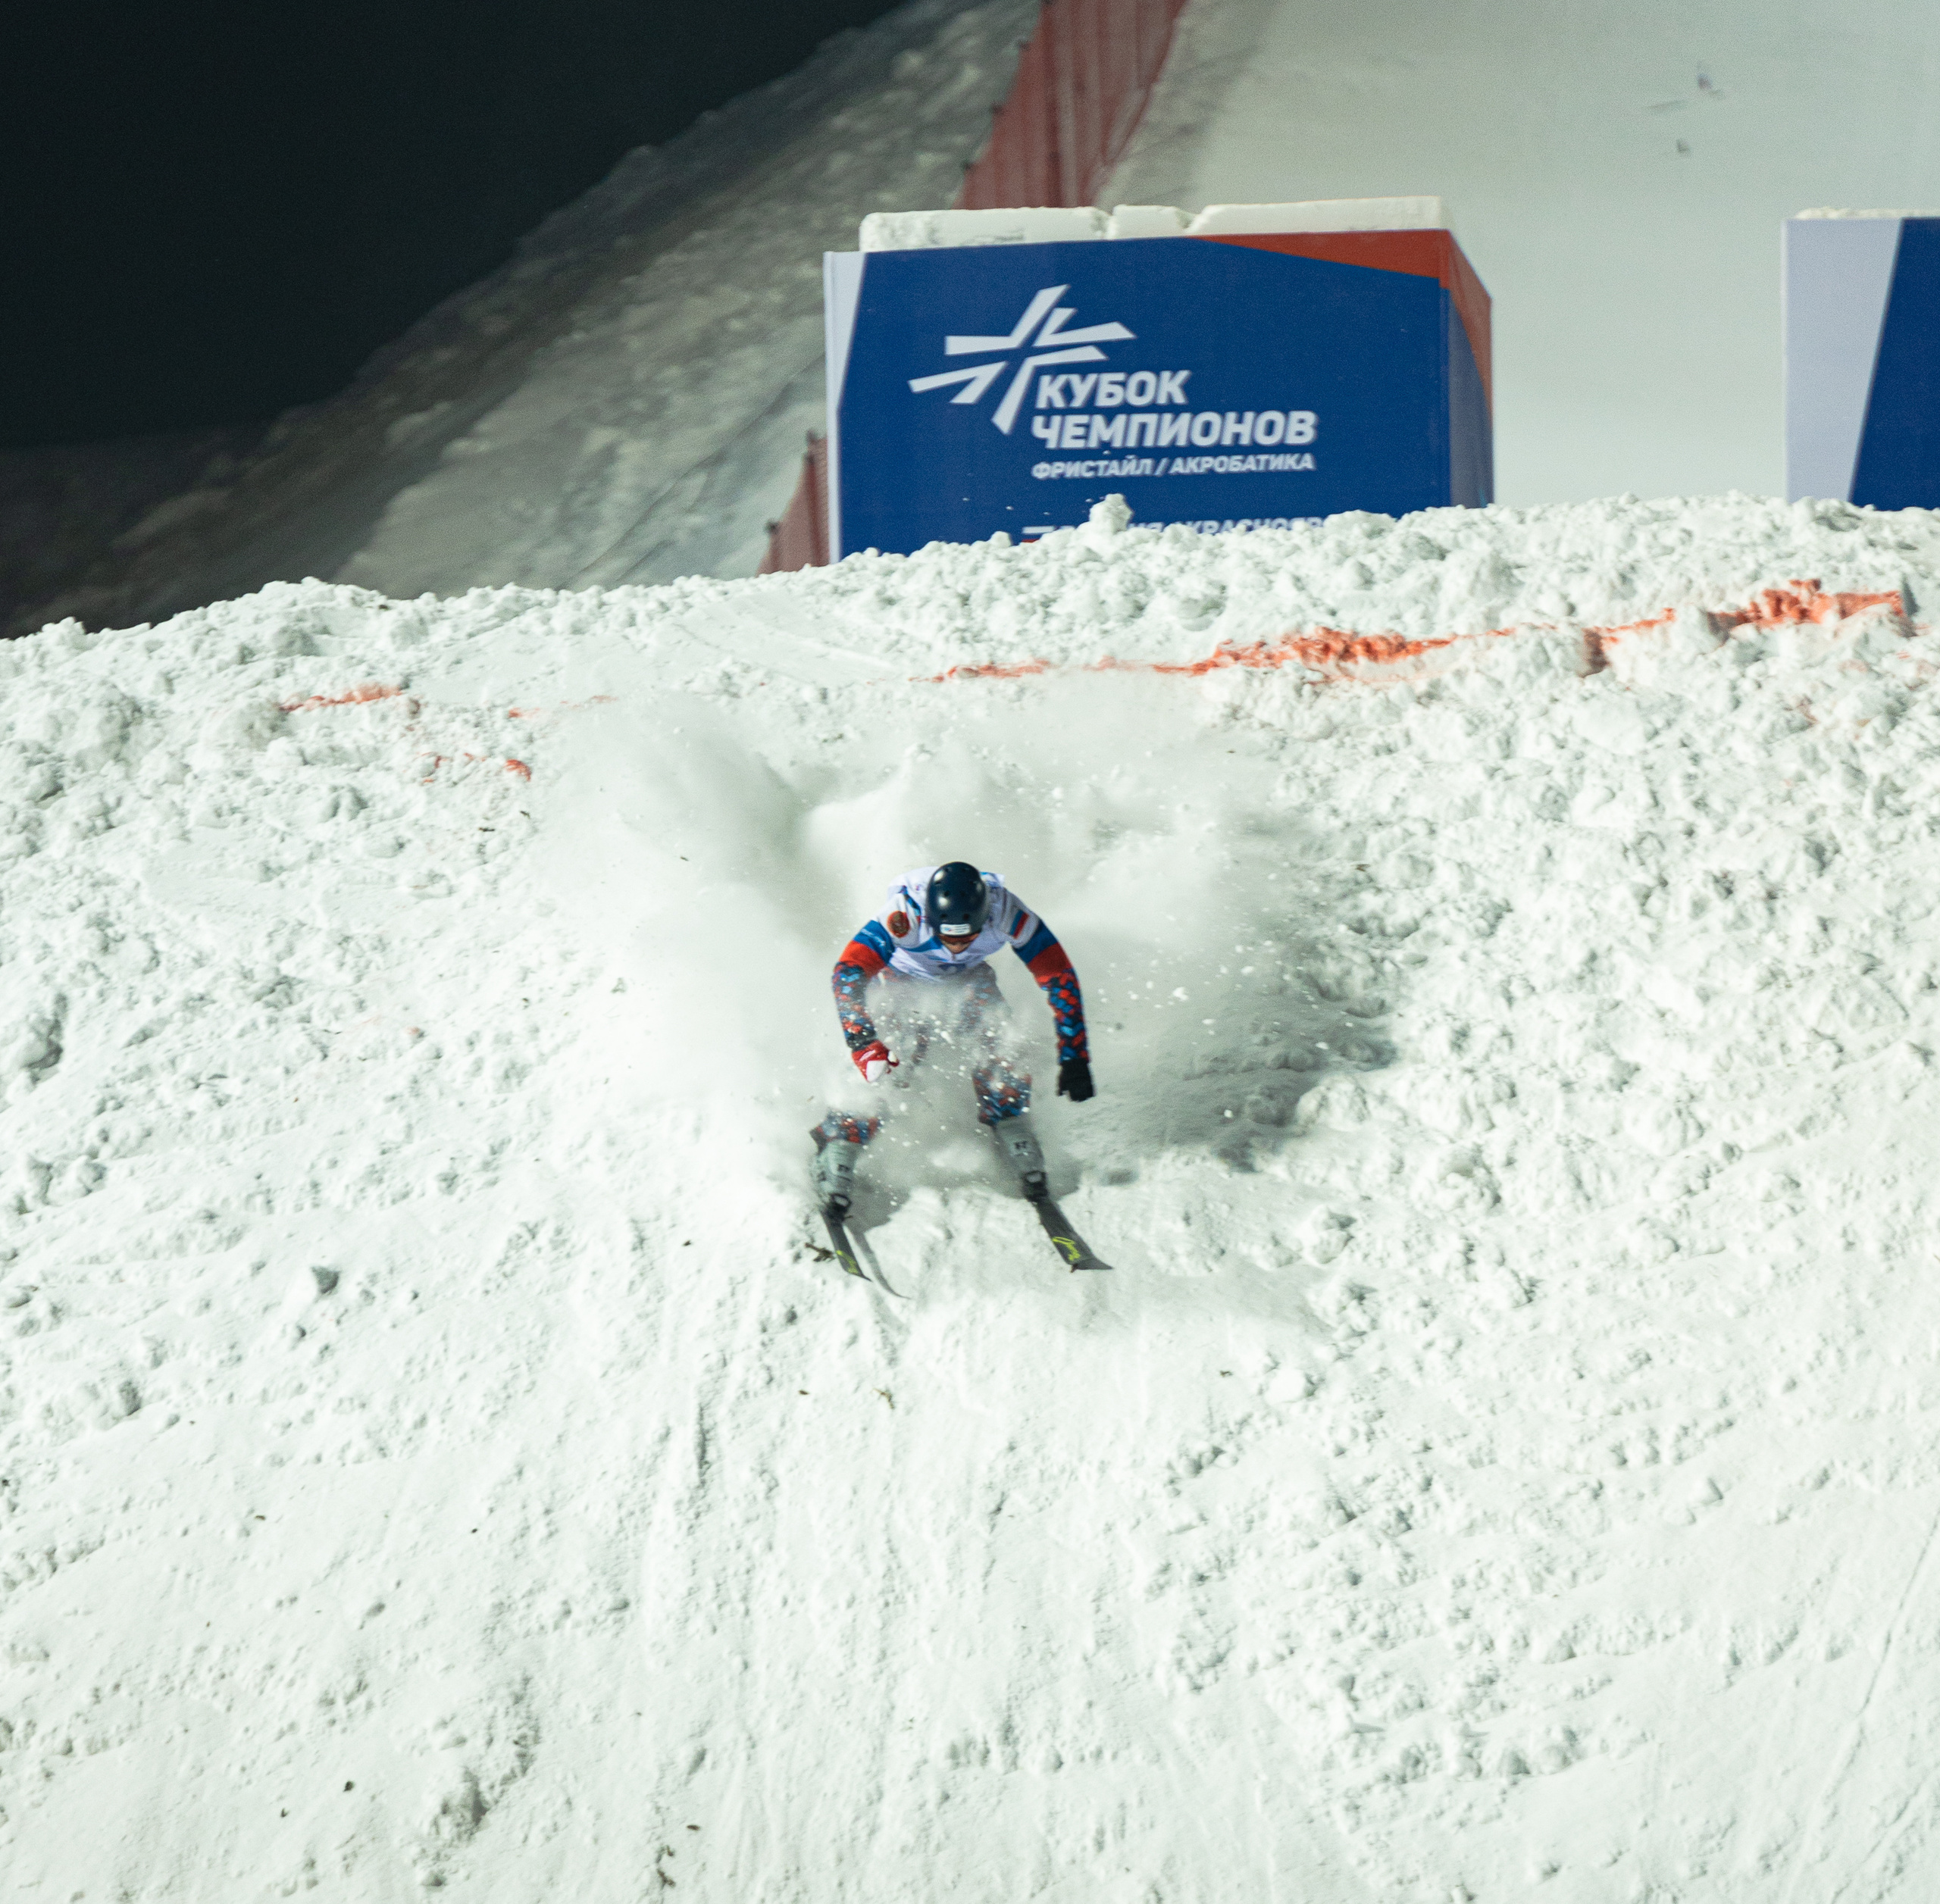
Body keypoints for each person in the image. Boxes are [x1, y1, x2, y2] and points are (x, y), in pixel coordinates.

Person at [811, 861, 1093, 1211]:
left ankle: (1009, 1117)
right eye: (948, 937)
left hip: (969, 980)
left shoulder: (1008, 913)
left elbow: (1058, 976)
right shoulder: (904, 916)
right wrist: (864, 1041)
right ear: (930, 919)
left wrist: (1075, 1054)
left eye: (967, 937)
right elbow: (848, 972)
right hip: (902, 980)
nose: (957, 946)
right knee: (892, 1057)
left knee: (1001, 1035)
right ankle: (842, 1138)